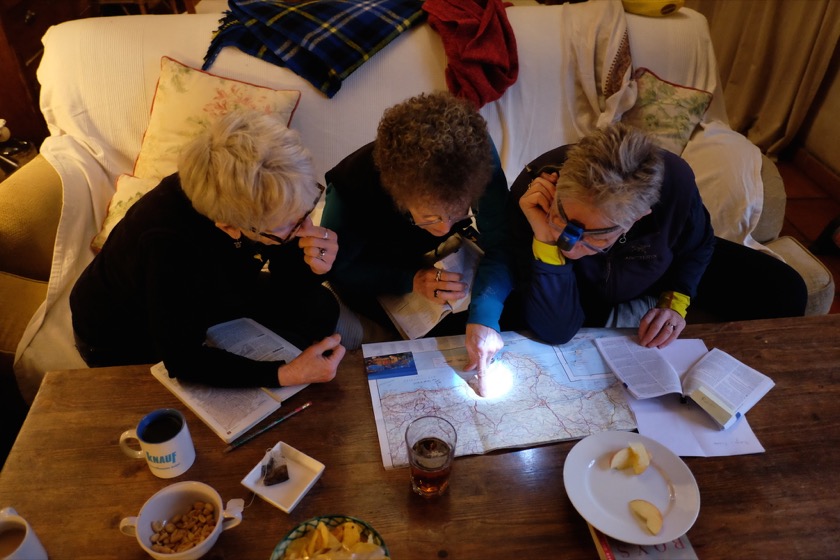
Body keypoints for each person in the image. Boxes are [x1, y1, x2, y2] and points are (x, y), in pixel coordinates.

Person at [70, 110, 346, 388]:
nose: (307, 225)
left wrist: (312, 267)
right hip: (126, 333)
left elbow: (287, 282)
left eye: (307, 207)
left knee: (318, 307)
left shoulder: (246, 195)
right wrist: (285, 374)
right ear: (229, 227)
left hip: (210, 286)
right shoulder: (167, 244)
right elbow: (183, 359)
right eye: (290, 224)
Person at [509, 122, 807, 347]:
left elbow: (699, 243)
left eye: (596, 235)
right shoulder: (533, 195)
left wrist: (675, 302)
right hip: (582, 288)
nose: (569, 244)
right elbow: (556, 328)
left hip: (653, 268)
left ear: (639, 216)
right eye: (563, 218)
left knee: (784, 288)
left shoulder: (675, 184)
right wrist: (548, 243)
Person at [320, 92, 513, 395]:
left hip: (437, 262)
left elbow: (502, 242)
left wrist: (485, 317)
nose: (444, 227)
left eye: (457, 213)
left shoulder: (477, 159)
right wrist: (410, 279)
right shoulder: (352, 188)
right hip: (374, 265)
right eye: (429, 218)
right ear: (398, 196)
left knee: (504, 313)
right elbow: (338, 270)